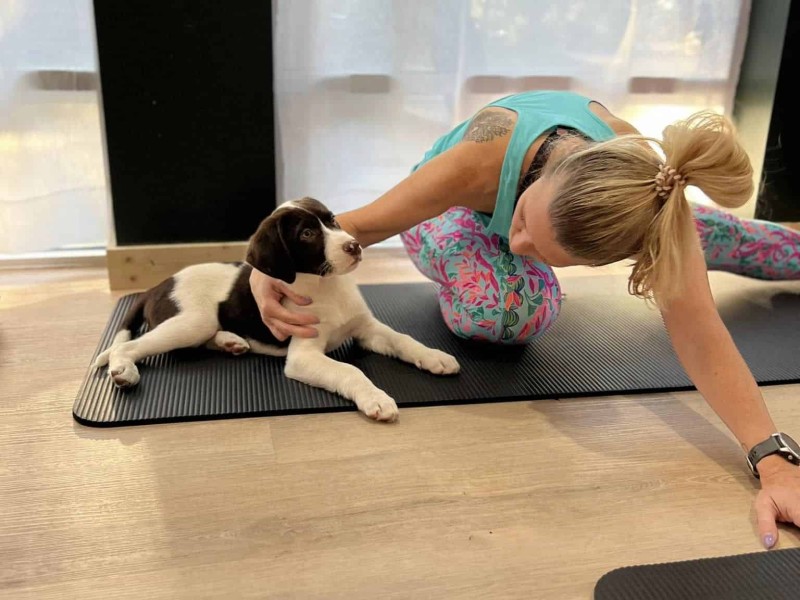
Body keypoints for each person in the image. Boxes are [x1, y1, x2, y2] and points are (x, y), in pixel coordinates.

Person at [250, 90, 800, 548]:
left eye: (539, 249)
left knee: (716, 240)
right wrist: (259, 270)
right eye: (523, 220)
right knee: (509, 310)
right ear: (543, 179)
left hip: (614, 207)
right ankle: (506, 265)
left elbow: (701, 333)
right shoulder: (479, 159)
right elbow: (356, 226)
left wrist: (774, 461)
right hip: (447, 217)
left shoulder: (640, 181)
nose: (515, 242)